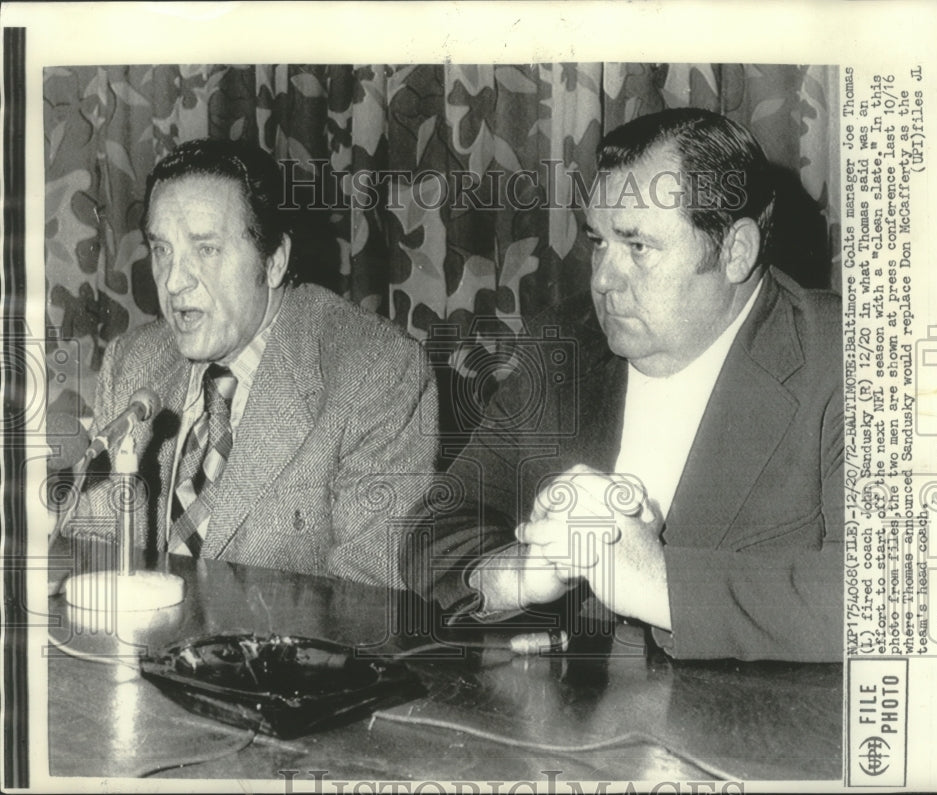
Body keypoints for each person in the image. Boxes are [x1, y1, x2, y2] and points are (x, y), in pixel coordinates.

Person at [402, 108, 843, 661]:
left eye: (638, 247)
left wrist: (658, 583)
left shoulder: (843, 356)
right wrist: (520, 572)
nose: (604, 280)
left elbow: (888, 597)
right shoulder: (566, 343)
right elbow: (434, 525)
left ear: (735, 251)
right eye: (598, 242)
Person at [73, 138, 437, 588]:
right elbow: (92, 556)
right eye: (162, 249)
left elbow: (364, 608)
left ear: (274, 261)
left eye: (206, 249)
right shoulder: (133, 363)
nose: (173, 280)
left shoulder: (375, 371)